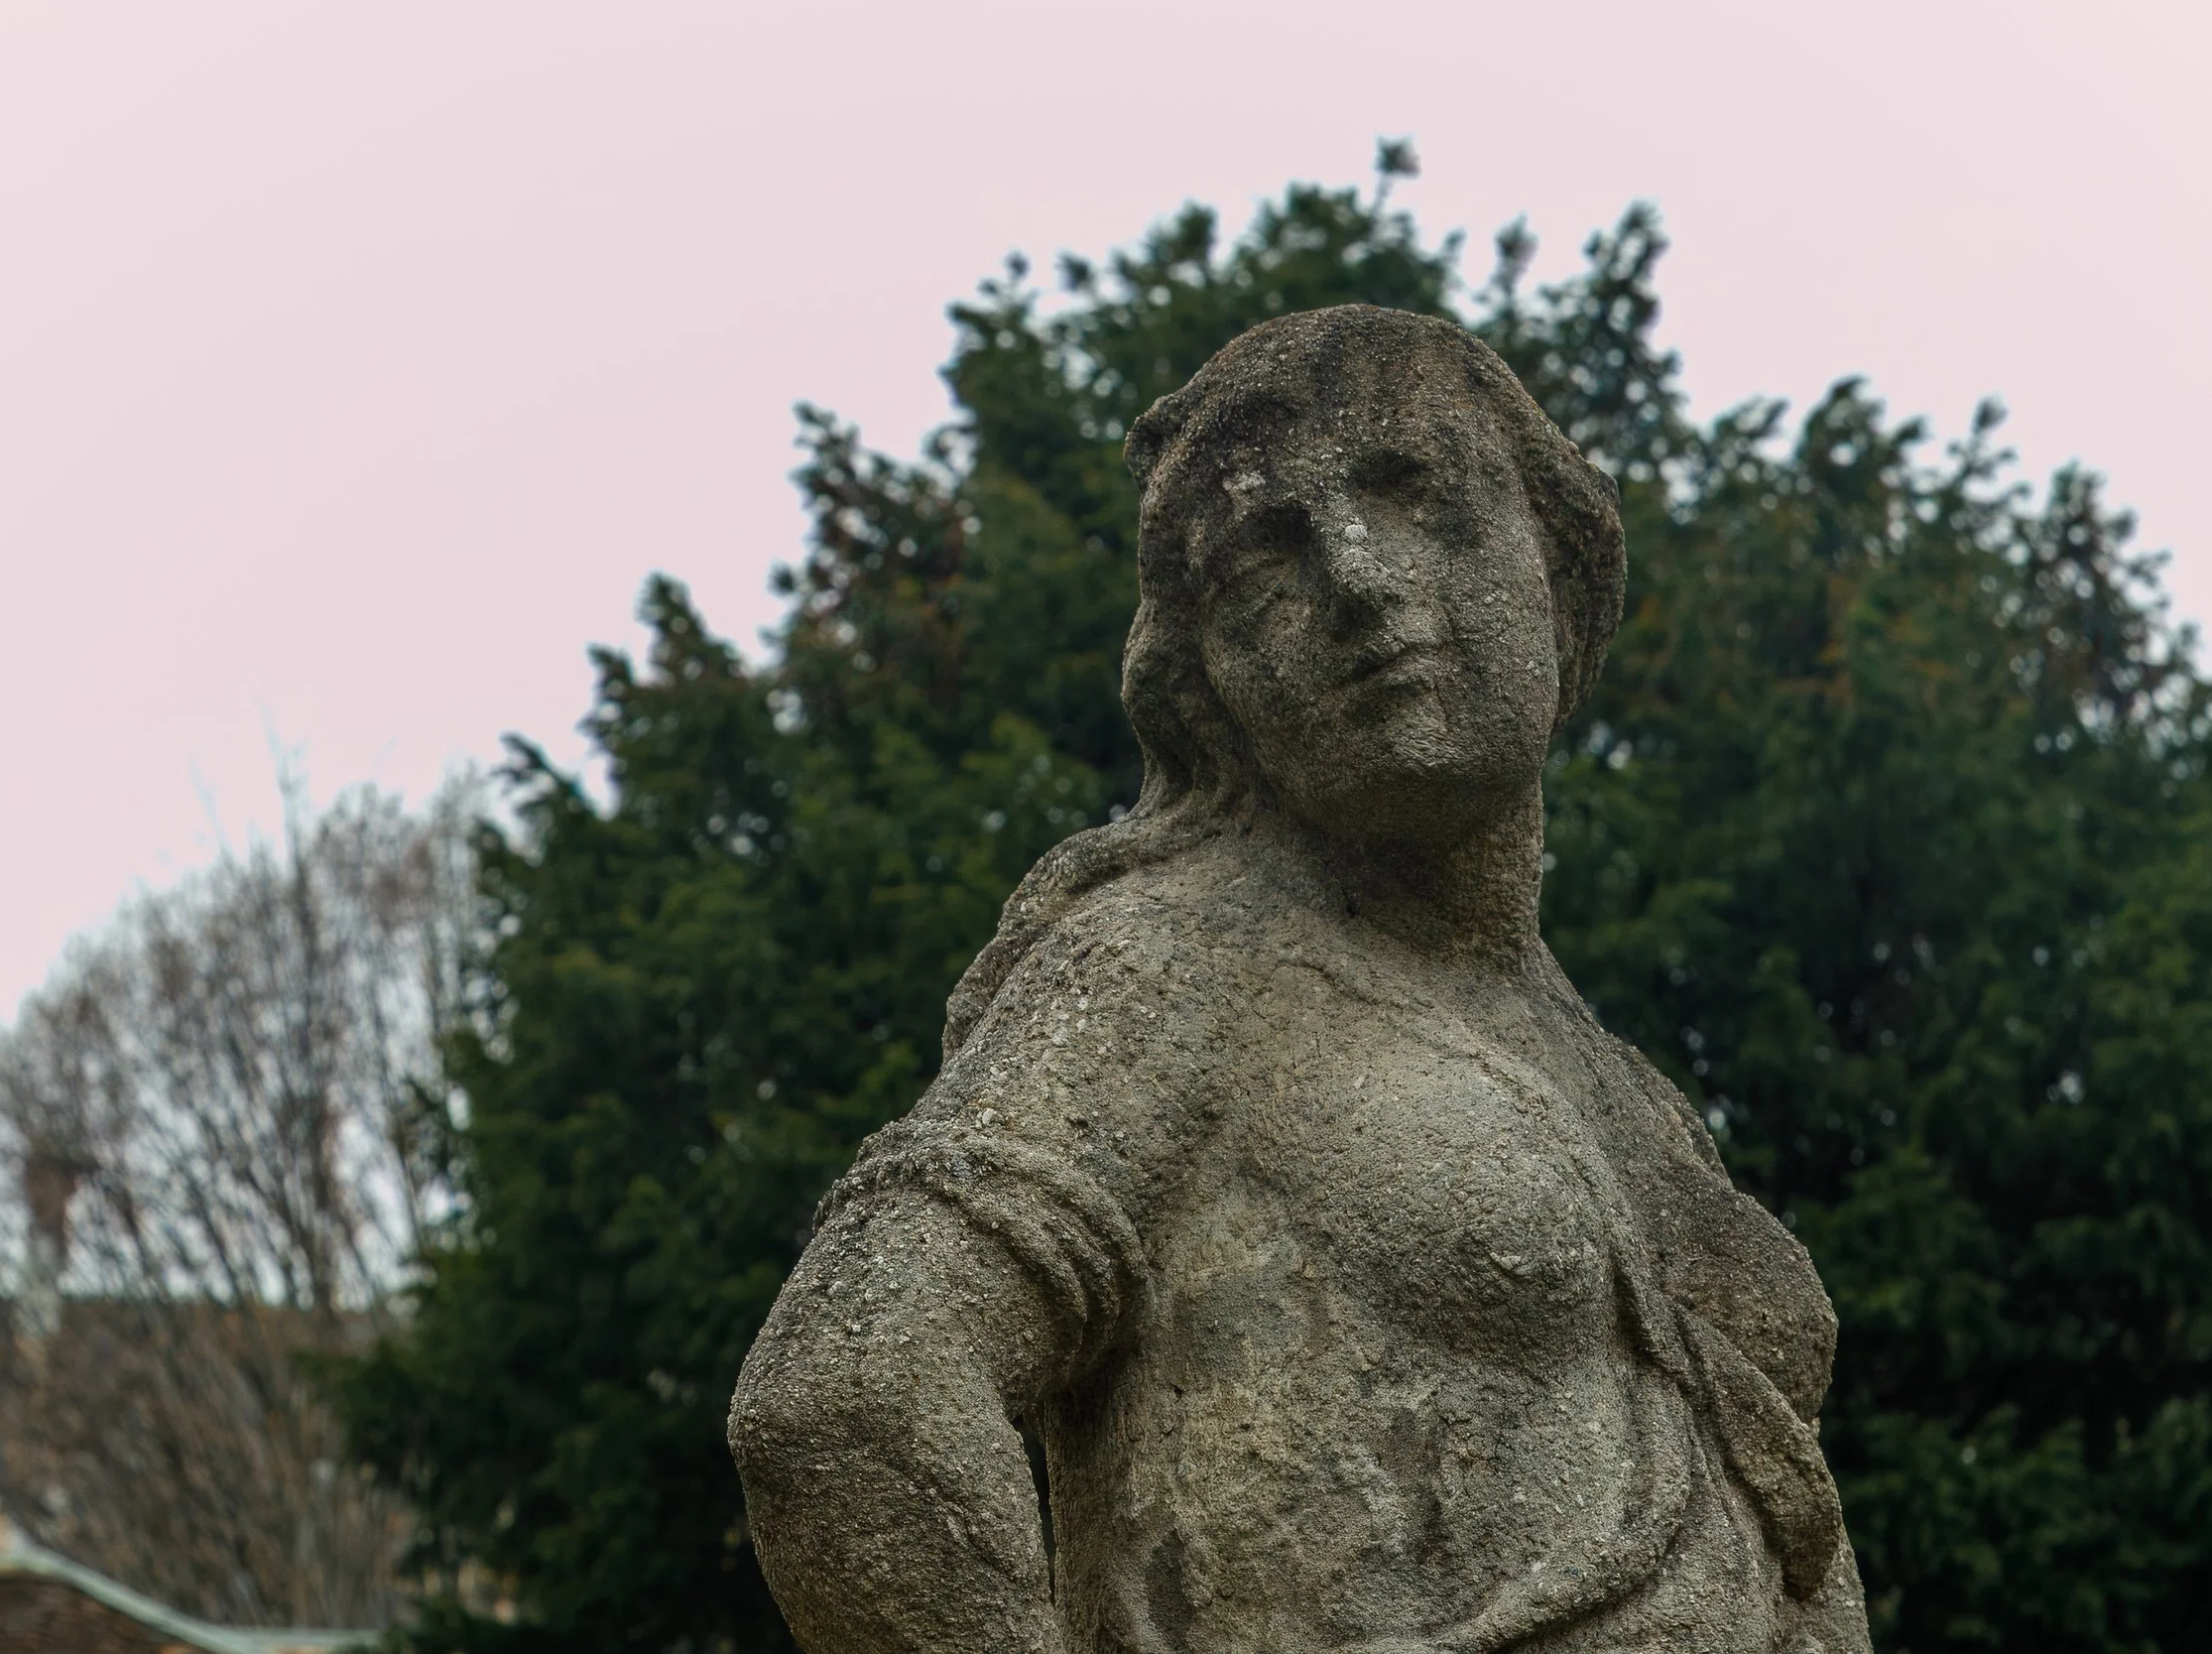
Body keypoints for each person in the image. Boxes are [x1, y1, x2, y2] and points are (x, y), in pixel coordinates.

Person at [729, 307, 1868, 1654]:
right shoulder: (1167, 962)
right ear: (1208, 681)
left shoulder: (1626, 1088)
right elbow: (850, 1397)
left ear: (1556, 557)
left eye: (1412, 492)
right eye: (1264, 561)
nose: (1360, 579)